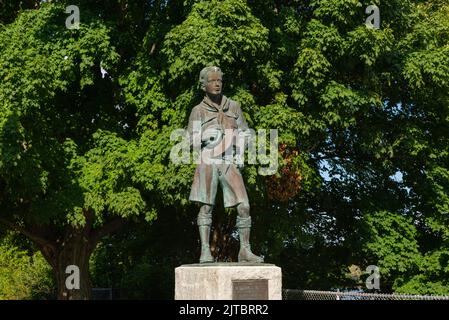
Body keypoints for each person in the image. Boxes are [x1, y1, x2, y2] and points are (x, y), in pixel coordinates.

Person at [187, 66, 263, 264]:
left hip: (229, 161)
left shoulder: (234, 107)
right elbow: (189, 140)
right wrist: (204, 135)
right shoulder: (198, 111)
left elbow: (246, 132)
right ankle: (205, 250)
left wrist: (240, 152)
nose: (217, 83)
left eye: (219, 80)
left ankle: (245, 250)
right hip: (208, 160)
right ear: (203, 85)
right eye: (212, 81)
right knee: (206, 207)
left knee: (244, 206)